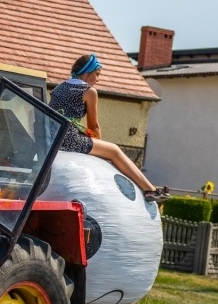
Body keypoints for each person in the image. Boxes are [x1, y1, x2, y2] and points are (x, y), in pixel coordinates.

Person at [50, 54, 170, 203]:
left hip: (51, 136)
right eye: (97, 74)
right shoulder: (88, 91)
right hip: (68, 138)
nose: (98, 79)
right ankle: (149, 189)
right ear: (87, 72)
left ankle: (149, 188)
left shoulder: (59, 87)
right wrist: (99, 149)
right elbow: (93, 125)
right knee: (113, 150)